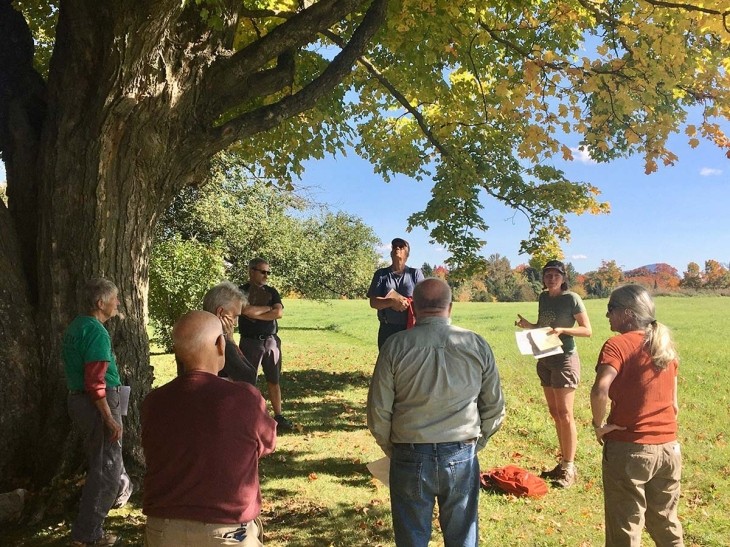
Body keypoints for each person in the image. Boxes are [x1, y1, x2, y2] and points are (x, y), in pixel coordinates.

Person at [367, 278, 505, 547]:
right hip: (461, 451)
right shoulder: (475, 344)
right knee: (463, 535)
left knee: (412, 538)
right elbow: (495, 407)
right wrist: (479, 441)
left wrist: (392, 448)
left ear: (413, 309)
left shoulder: (395, 346)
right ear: (450, 307)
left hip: (409, 450)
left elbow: (378, 411)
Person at [142, 311, 277, 547]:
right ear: (220, 344)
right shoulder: (244, 399)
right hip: (227, 530)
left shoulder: (153, 402)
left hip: (163, 528)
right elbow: (268, 443)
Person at [590, 285, 683, 546]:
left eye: (611, 310)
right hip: (669, 449)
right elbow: (673, 406)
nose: (607, 316)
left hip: (630, 449)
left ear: (627, 313)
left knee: (625, 528)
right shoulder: (663, 347)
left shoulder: (617, 344)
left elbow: (599, 390)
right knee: (666, 522)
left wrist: (599, 425)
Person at [63, 278, 128, 546]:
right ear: (101, 303)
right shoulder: (96, 332)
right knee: (105, 469)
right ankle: (87, 535)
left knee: (105, 463)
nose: (118, 303)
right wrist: (109, 418)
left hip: (78, 400)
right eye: (114, 298)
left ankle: (120, 494)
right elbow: (95, 382)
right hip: (95, 403)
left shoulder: (77, 325)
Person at [515, 259, 592, 488]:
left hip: (565, 359)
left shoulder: (572, 299)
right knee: (555, 412)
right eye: (548, 275)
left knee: (566, 413)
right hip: (545, 358)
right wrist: (529, 326)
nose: (551, 279)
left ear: (564, 278)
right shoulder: (543, 298)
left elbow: (588, 330)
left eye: (556, 275)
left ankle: (569, 467)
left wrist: (564, 330)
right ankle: (562, 463)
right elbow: (543, 326)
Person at [238, 258, 292, 431]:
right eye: (262, 271)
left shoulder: (272, 291)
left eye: (268, 272)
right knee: (248, 381)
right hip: (249, 342)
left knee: (273, 380)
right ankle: (249, 416)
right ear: (251, 271)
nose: (266, 275)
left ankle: (279, 416)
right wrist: (267, 310)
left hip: (271, 340)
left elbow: (279, 312)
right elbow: (244, 310)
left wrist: (257, 313)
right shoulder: (240, 291)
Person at [367, 237, 425, 349]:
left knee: (409, 364)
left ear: (407, 254)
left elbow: (424, 301)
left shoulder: (415, 274)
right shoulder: (381, 274)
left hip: (411, 329)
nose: (397, 248)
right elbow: (373, 303)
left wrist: (409, 303)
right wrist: (391, 302)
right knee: (388, 363)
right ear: (391, 252)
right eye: (394, 246)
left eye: (401, 247)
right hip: (388, 329)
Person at [202, 281, 257, 385]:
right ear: (220, 312)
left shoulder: (193, 335)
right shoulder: (217, 343)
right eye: (235, 316)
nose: (236, 323)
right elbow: (249, 378)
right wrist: (229, 341)